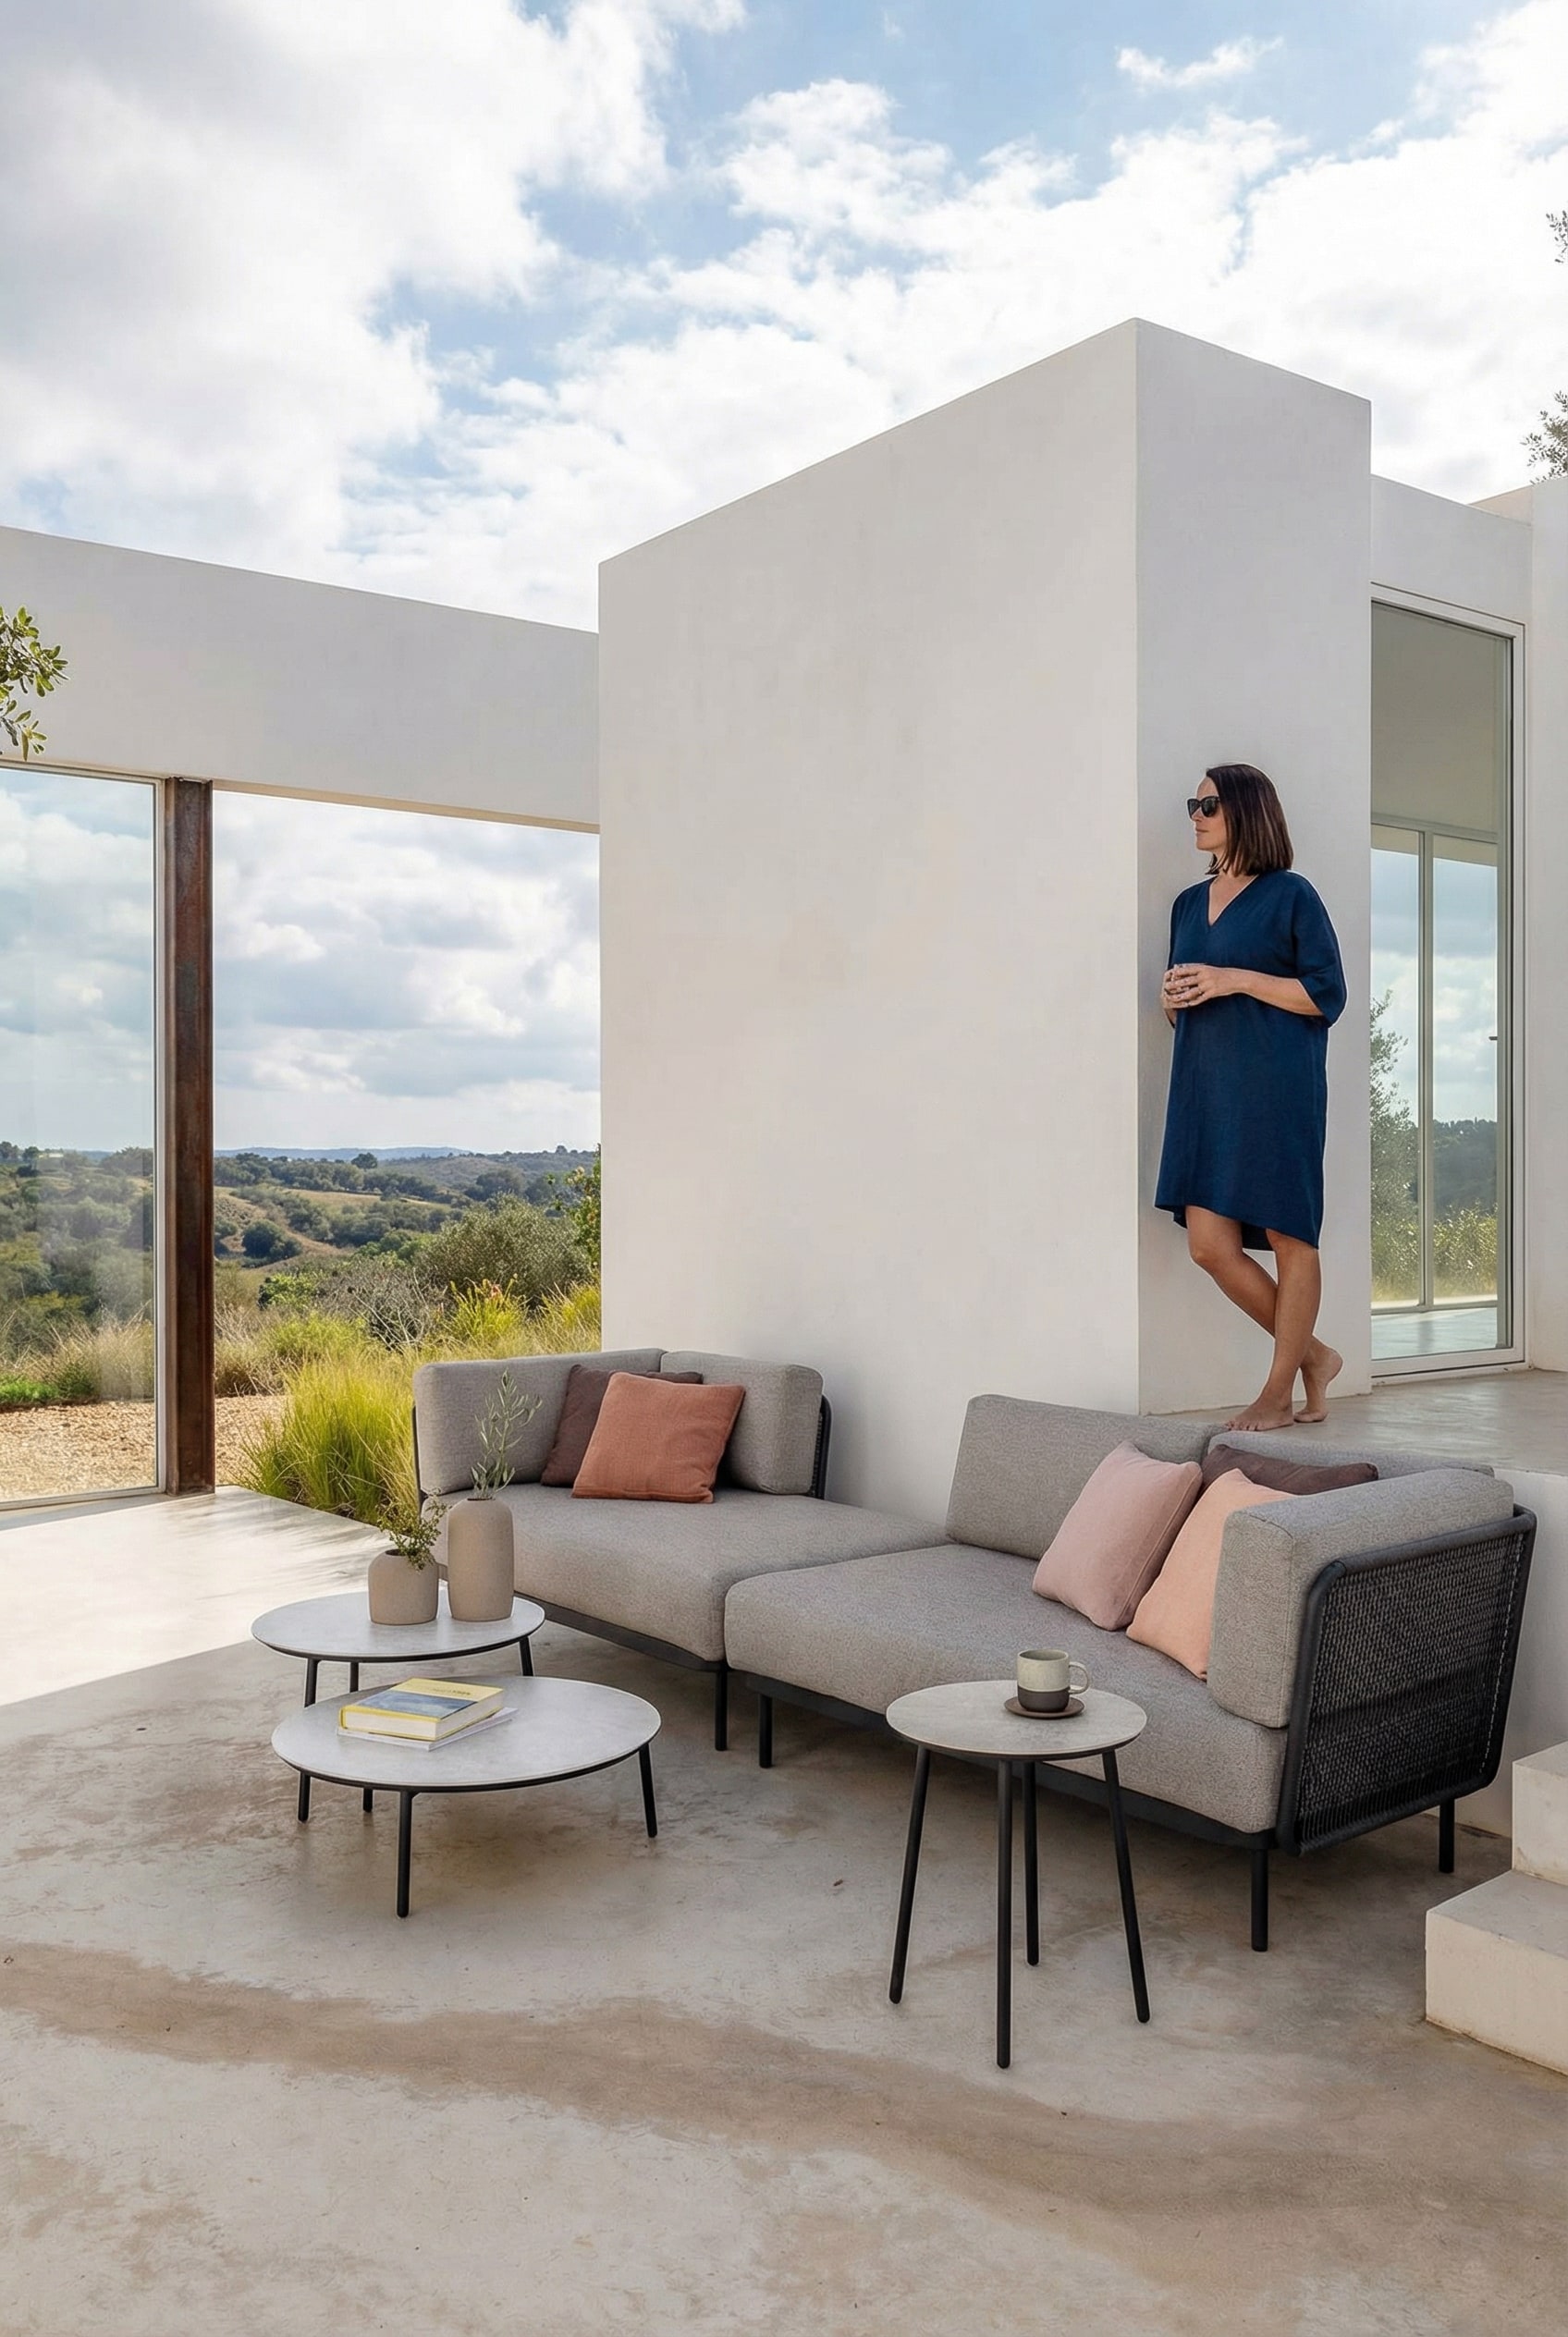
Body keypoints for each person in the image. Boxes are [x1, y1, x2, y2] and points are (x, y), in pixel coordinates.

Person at [1156, 763, 1346, 1431]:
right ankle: (1315, 1356)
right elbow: (1189, 998)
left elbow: (1327, 995)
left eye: (1207, 805)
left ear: (1245, 810)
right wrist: (1171, 1000)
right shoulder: (1186, 903)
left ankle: (1277, 1390)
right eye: (1193, 805)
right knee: (1209, 1244)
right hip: (1205, 1089)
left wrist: (1234, 977)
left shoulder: (1292, 895)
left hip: (1276, 1087)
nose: (1196, 815)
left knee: (1291, 1235)